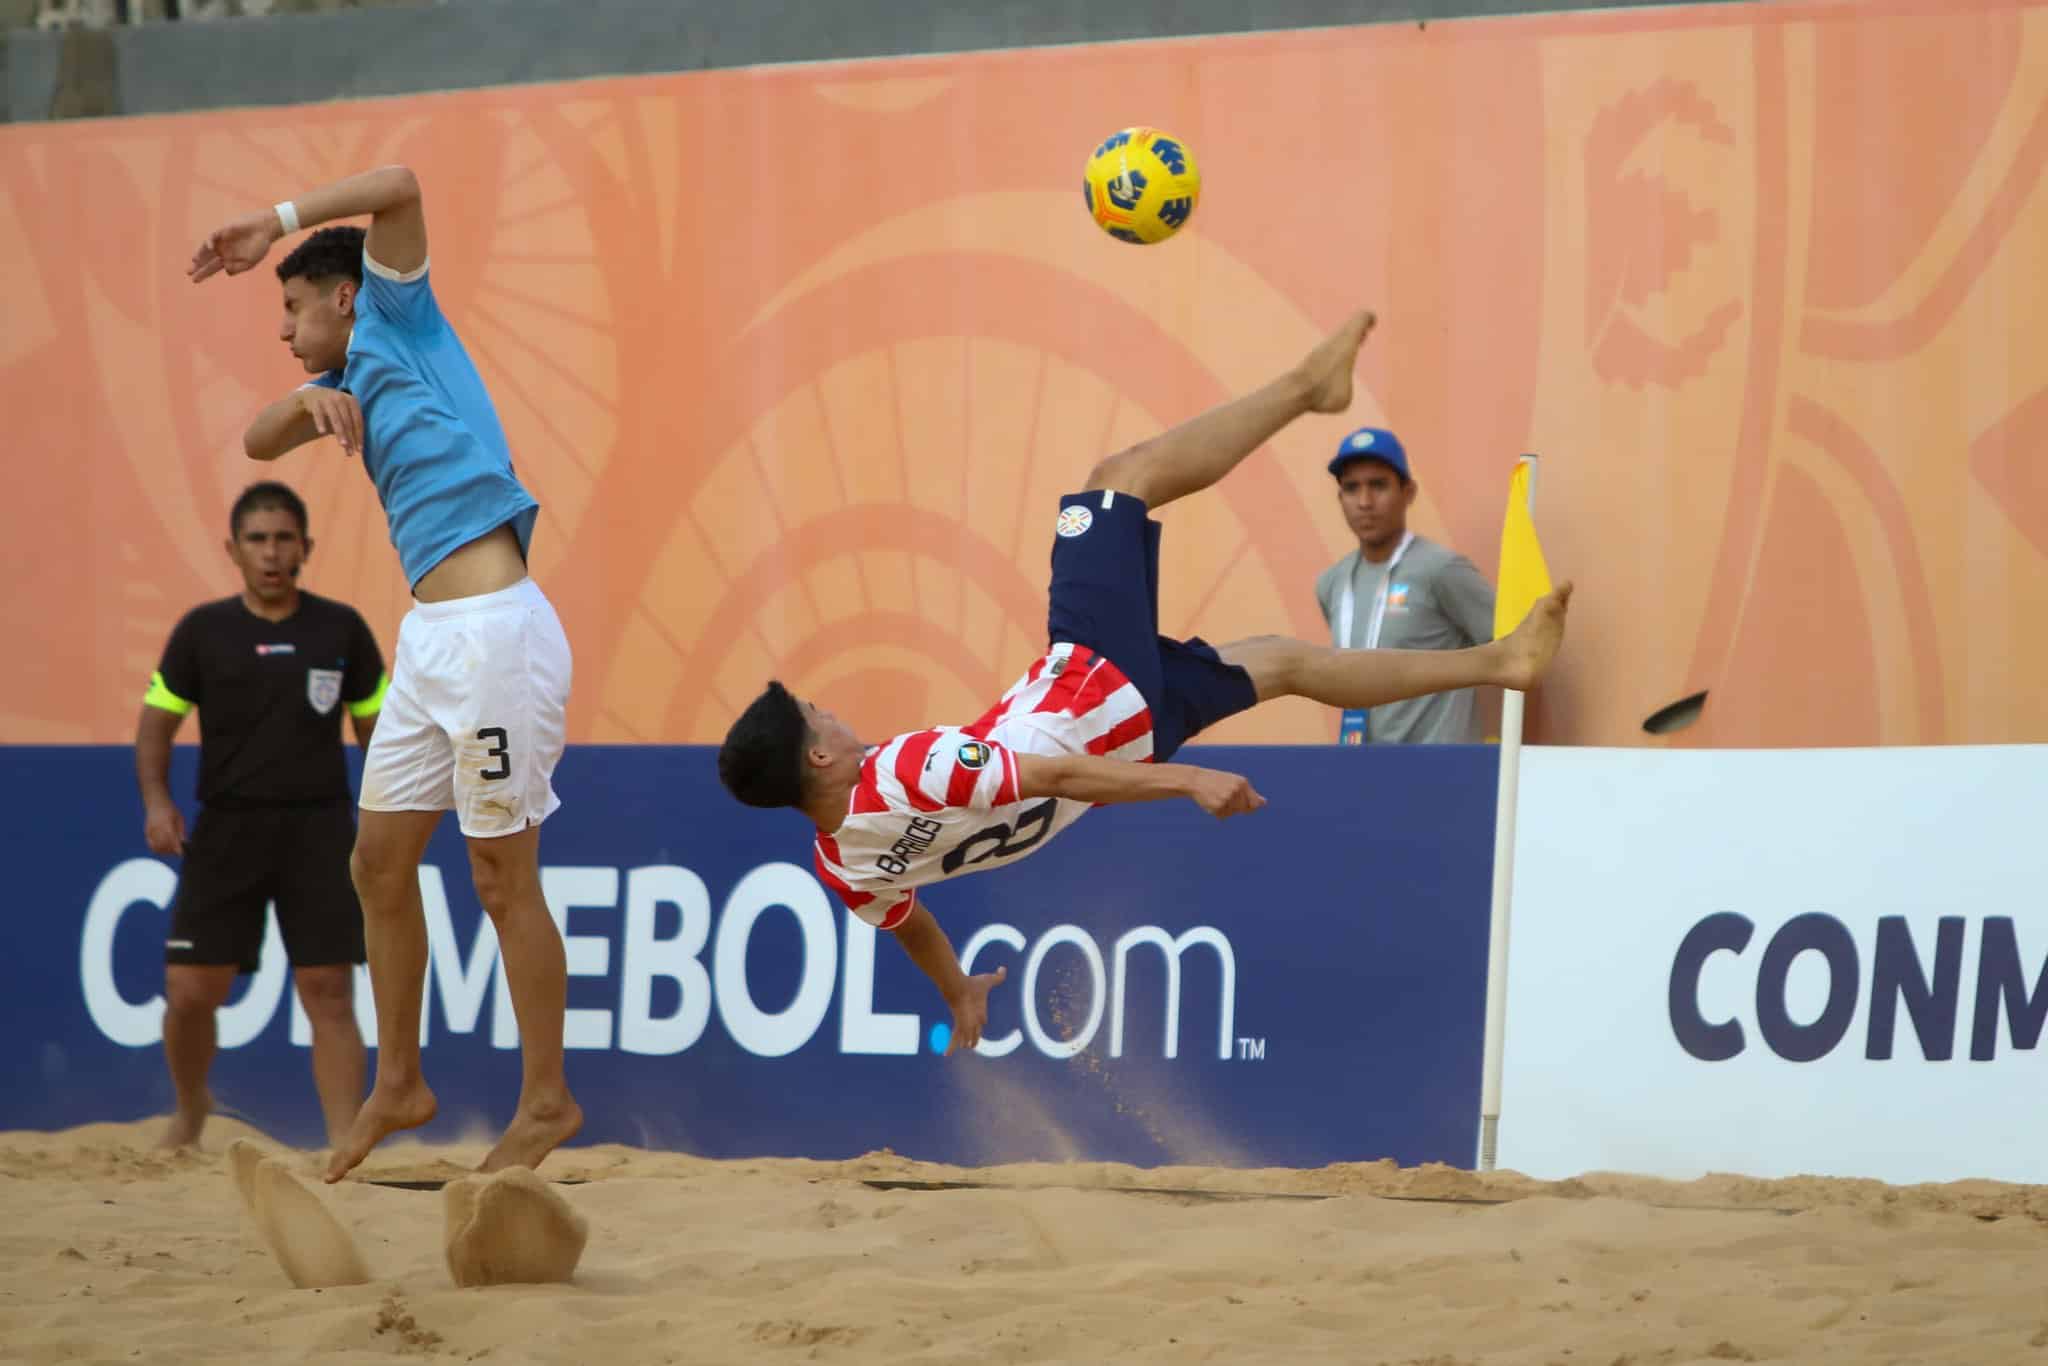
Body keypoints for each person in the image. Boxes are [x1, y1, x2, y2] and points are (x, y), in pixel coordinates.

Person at [717, 312, 1571, 1049]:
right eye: (814, 714)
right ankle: (1308, 387)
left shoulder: (842, 860)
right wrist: (1187, 780)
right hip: (1090, 695)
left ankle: (1501, 661)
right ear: (819, 758)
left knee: (1282, 662)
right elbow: (1049, 771)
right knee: (1116, 480)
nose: (830, 711)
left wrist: (957, 990)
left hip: (1112, 734)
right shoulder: (898, 774)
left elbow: (911, 926)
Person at [188, 165, 580, 1183]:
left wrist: (269, 223)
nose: (281, 328)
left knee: (501, 878)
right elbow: (253, 436)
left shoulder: (397, 318)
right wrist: (307, 407)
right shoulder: (340, 383)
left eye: (288, 304)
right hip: (430, 643)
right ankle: (398, 1082)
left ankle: (547, 1099)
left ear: (343, 295)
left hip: (498, 633)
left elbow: (404, 183)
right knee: (376, 862)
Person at [137, 481, 385, 1151]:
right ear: (233, 549)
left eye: (283, 539)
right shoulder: (202, 630)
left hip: (320, 830)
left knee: (329, 990)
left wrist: (390, 822)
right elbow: (157, 724)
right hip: (225, 830)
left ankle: (342, 1145)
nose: (272, 553)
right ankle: (192, 1109)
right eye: (258, 539)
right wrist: (158, 802)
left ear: (306, 547)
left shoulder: (342, 629)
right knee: (190, 992)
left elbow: (379, 733)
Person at [1314, 428, 1497, 745]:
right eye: (1351, 488)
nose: (1365, 502)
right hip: (1366, 773)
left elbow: (1512, 650)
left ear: (1408, 492)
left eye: (1379, 485)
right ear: (1340, 498)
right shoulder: (1332, 583)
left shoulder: (1441, 570)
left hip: (1440, 772)